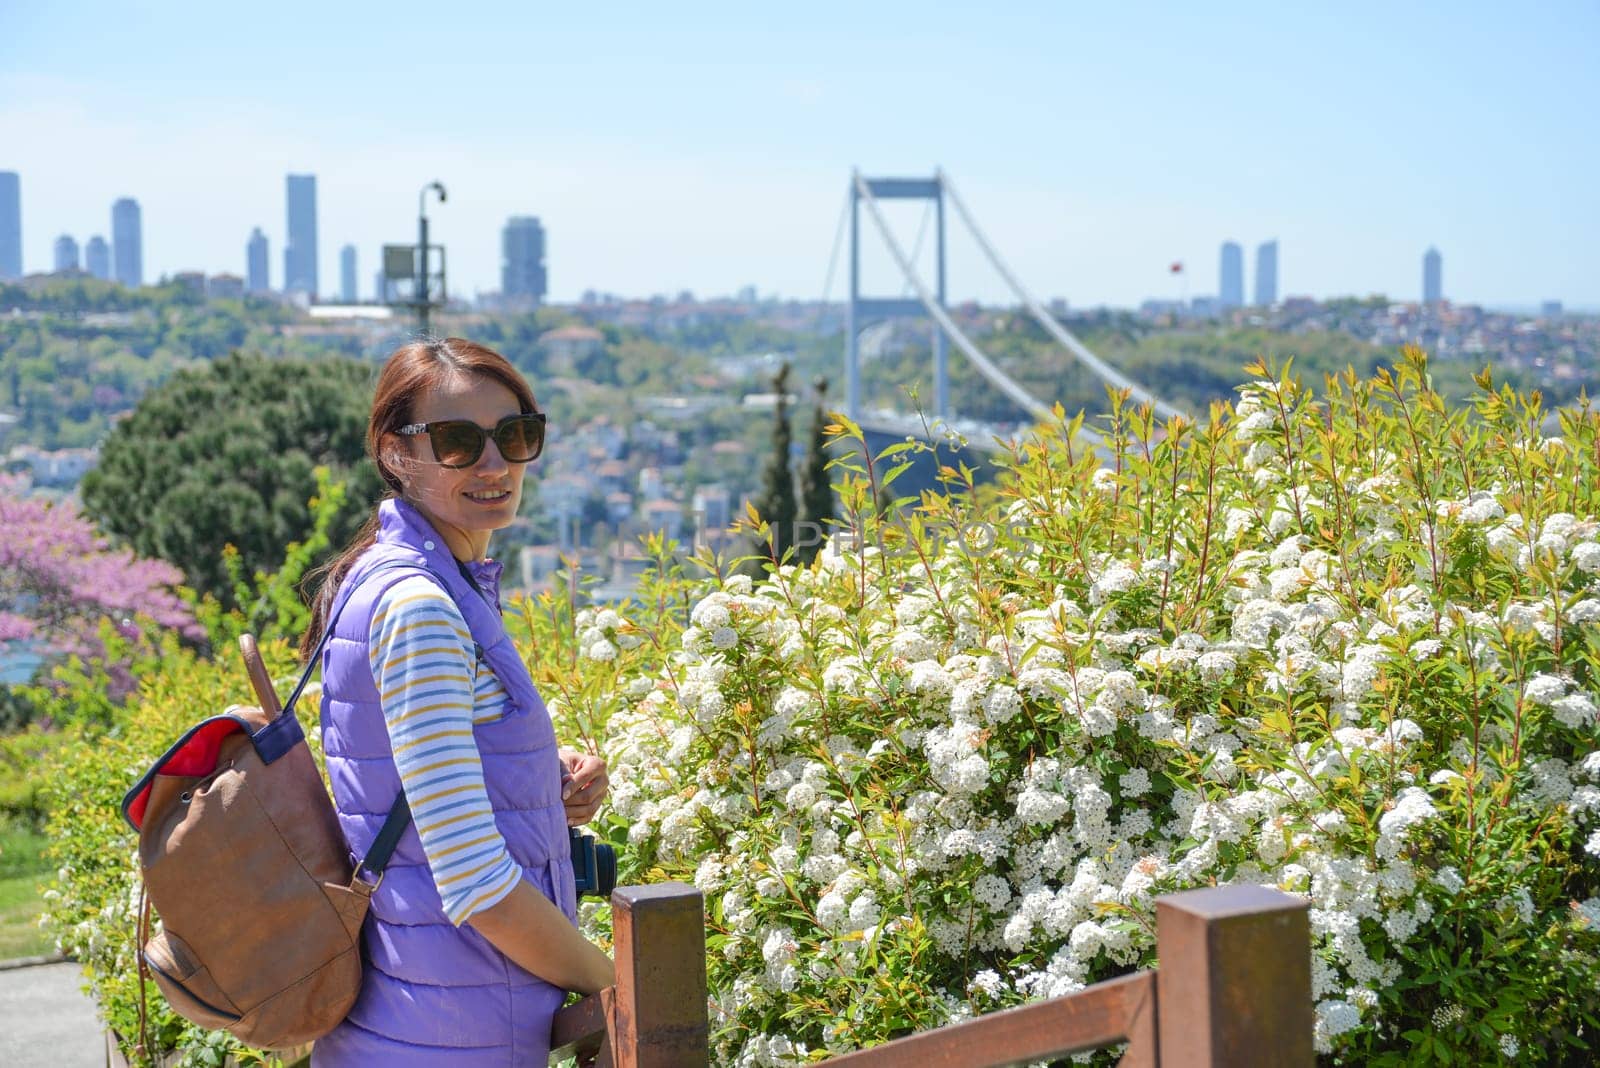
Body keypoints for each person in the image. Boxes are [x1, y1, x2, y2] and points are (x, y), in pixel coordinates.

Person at [298, 337, 614, 1065]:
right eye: (458, 441)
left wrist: (539, 782)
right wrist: (617, 980)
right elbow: (475, 884)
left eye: (515, 435)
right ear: (394, 453)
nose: (496, 464)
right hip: (454, 1034)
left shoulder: (396, 578)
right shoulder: (421, 608)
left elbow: (405, 791)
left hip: (411, 1018)